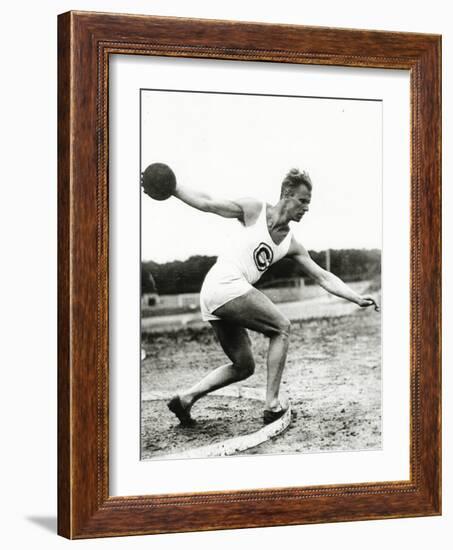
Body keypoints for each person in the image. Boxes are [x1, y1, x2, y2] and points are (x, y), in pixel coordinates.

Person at [162, 169, 379, 426]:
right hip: (223, 283)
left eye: (309, 202)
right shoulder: (255, 210)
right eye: (303, 201)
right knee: (282, 328)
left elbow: (323, 277)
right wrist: (173, 189)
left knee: (244, 366)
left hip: (215, 295)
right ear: (287, 195)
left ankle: (186, 398)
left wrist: (356, 297)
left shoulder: (291, 244)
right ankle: (272, 405)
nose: (307, 208)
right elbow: (209, 204)